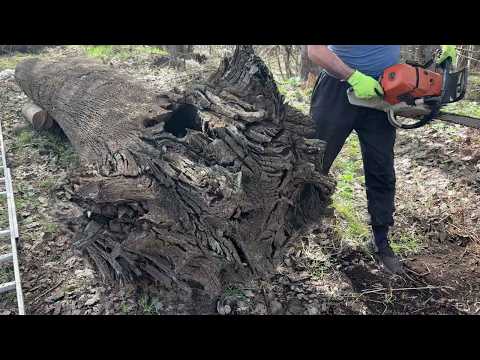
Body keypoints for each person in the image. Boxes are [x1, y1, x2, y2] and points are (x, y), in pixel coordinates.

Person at [307, 45, 456, 274]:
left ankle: (380, 240)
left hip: (384, 89)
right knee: (313, 163)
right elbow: (315, 50)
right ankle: (296, 223)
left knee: (381, 169)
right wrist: (352, 76)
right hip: (336, 89)